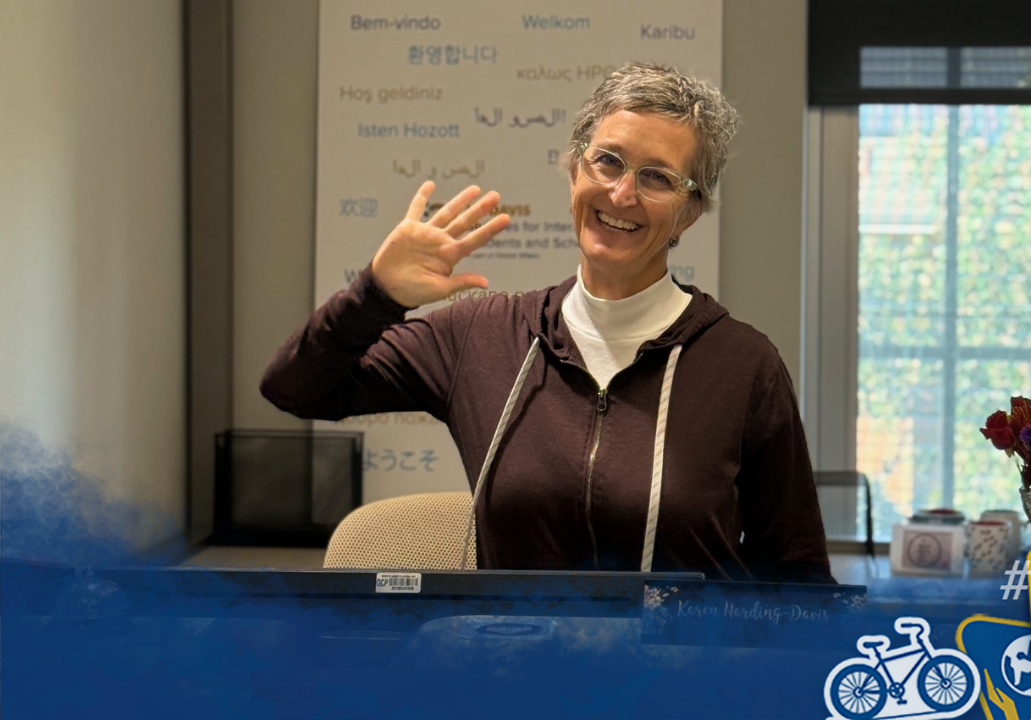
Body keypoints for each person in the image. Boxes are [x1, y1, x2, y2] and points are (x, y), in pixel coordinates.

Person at [261, 63, 833, 584]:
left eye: (657, 177)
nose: (621, 192)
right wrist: (374, 295)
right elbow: (296, 387)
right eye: (607, 161)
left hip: (677, 689)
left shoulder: (742, 364)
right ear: (573, 171)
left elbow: (797, 574)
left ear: (691, 210)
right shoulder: (481, 337)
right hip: (518, 683)